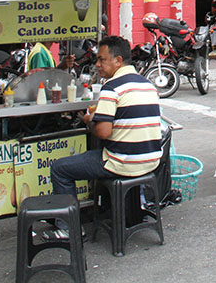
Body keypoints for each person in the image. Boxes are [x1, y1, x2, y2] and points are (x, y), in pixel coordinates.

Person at [49, 35, 162, 238]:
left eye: (102, 59)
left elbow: (103, 132)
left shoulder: (112, 87)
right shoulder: (148, 84)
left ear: (118, 61)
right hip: (151, 161)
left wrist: (89, 120)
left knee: (60, 168)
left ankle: (69, 229)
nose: (97, 64)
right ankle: (111, 211)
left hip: (123, 162)